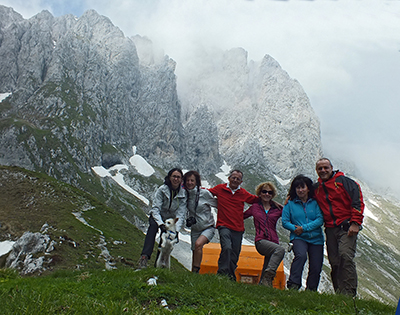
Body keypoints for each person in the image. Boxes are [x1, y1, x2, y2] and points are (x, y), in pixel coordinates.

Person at [314, 158, 364, 296]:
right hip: (330, 228)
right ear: (316, 171)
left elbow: (357, 201)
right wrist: (290, 197)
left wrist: (355, 223)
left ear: (331, 168)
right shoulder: (316, 188)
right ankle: (339, 293)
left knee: (345, 256)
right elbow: (301, 193)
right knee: (334, 261)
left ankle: (349, 294)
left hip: (347, 227)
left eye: (325, 167)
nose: (323, 171)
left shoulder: (344, 182)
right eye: (320, 169)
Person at [208, 170, 259, 280]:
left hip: (238, 228)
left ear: (241, 182)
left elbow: (257, 200)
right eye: (233, 178)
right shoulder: (220, 188)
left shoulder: (244, 193)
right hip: (224, 225)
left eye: (238, 179)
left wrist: (275, 203)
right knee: (226, 248)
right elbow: (207, 192)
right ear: (229, 178)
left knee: (235, 253)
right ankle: (221, 273)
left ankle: (230, 276)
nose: (235, 180)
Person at [282, 175, 324, 291]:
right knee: (300, 256)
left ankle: (311, 290)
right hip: (298, 237)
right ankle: (293, 285)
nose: (300, 190)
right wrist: (295, 229)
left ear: (308, 189)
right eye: (297, 188)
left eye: (302, 187)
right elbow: (285, 221)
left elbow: (320, 220)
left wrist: (303, 228)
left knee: (316, 266)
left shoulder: (315, 202)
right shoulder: (290, 203)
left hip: (316, 239)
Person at [138, 168, 187, 269]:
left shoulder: (183, 193)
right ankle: (144, 257)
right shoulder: (162, 190)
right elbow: (155, 209)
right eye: (174, 176)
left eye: (178, 177)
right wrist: (160, 224)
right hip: (157, 216)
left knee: (165, 239)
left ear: (181, 179)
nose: (176, 179)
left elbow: (181, 214)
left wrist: (176, 230)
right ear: (169, 177)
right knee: (152, 228)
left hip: (170, 219)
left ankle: (158, 264)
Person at [244, 181, 285, 287]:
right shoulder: (255, 207)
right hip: (261, 240)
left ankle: (263, 286)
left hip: (273, 240)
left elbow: (290, 214)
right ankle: (269, 276)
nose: (267, 194)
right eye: (264, 192)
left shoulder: (277, 209)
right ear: (260, 193)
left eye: (270, 192)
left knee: (267, 265)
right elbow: (241, 216)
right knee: (280, 250)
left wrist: (282, 205)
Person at [183, 170, 217, 273]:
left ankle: (196, 271)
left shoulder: (204, 193)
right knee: (194, 250)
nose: (189, 183)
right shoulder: (185, 194)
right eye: (187, 180)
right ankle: (194, 274)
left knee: (198, 245)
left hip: (208, 226)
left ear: (196, 182)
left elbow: (219, 204)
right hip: (195, 228)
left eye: (192, 180)